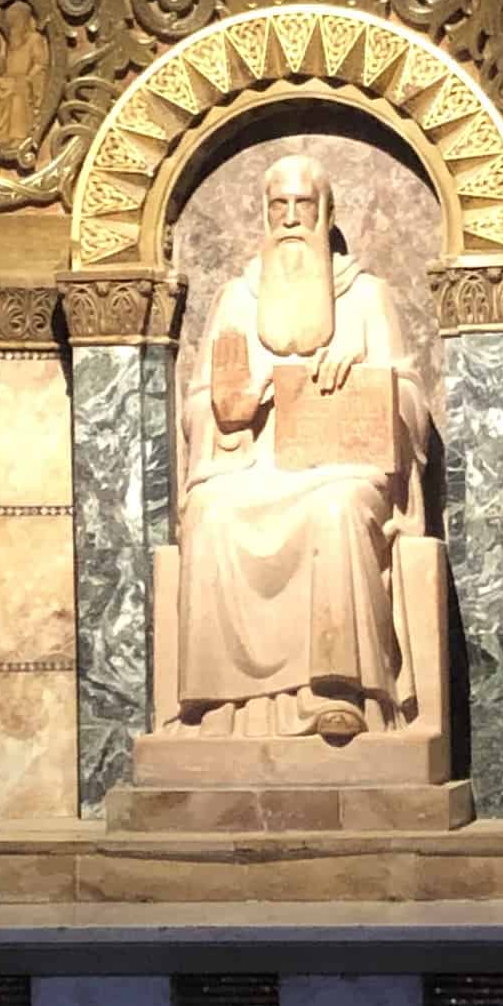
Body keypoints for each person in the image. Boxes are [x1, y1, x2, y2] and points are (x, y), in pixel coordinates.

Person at [176, 150, 433, 740]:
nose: (291, 219)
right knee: (212, 514)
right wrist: (237, 400)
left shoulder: (366, 297)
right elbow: (199, 404)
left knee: (336, 509)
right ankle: (224, 706)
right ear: (265, 215)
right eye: (279, 207)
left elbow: (413, 405)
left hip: (339, 467)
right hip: (252, 462)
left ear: (326, 213)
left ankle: (338, 692)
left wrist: (373, 379)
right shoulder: (236, 299)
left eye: (303, 206)